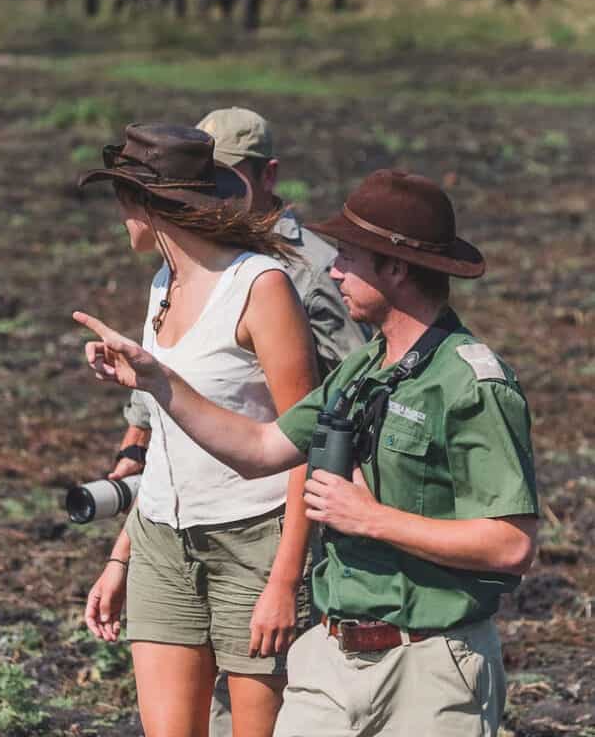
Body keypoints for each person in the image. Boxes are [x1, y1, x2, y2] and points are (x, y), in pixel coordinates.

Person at [75, 167, 539, 737]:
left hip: (430, 663)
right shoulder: (361, 368)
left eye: (348, 257)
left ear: (395, 269)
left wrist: (373, 520)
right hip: (332, 657)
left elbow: (512, 544)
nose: (333, 269)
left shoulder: (471, 382)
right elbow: (261, 448)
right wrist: (158, 382)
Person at [77, 123, 319, 737]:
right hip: (162, 538)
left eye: (122, 198)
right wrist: (121, 557)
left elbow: (305, 443)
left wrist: (286, 580)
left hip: (254, 542)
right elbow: (169, 435)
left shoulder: (260, 288)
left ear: (150, 205)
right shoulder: (164, 281)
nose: (119, 214)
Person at [110, 106, 367, 484]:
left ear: (270, 174)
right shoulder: (185, 255)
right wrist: (137, 438)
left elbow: (350, 383)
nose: (208, 184)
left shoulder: (311, 269)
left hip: (264, 482)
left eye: (225, 171)